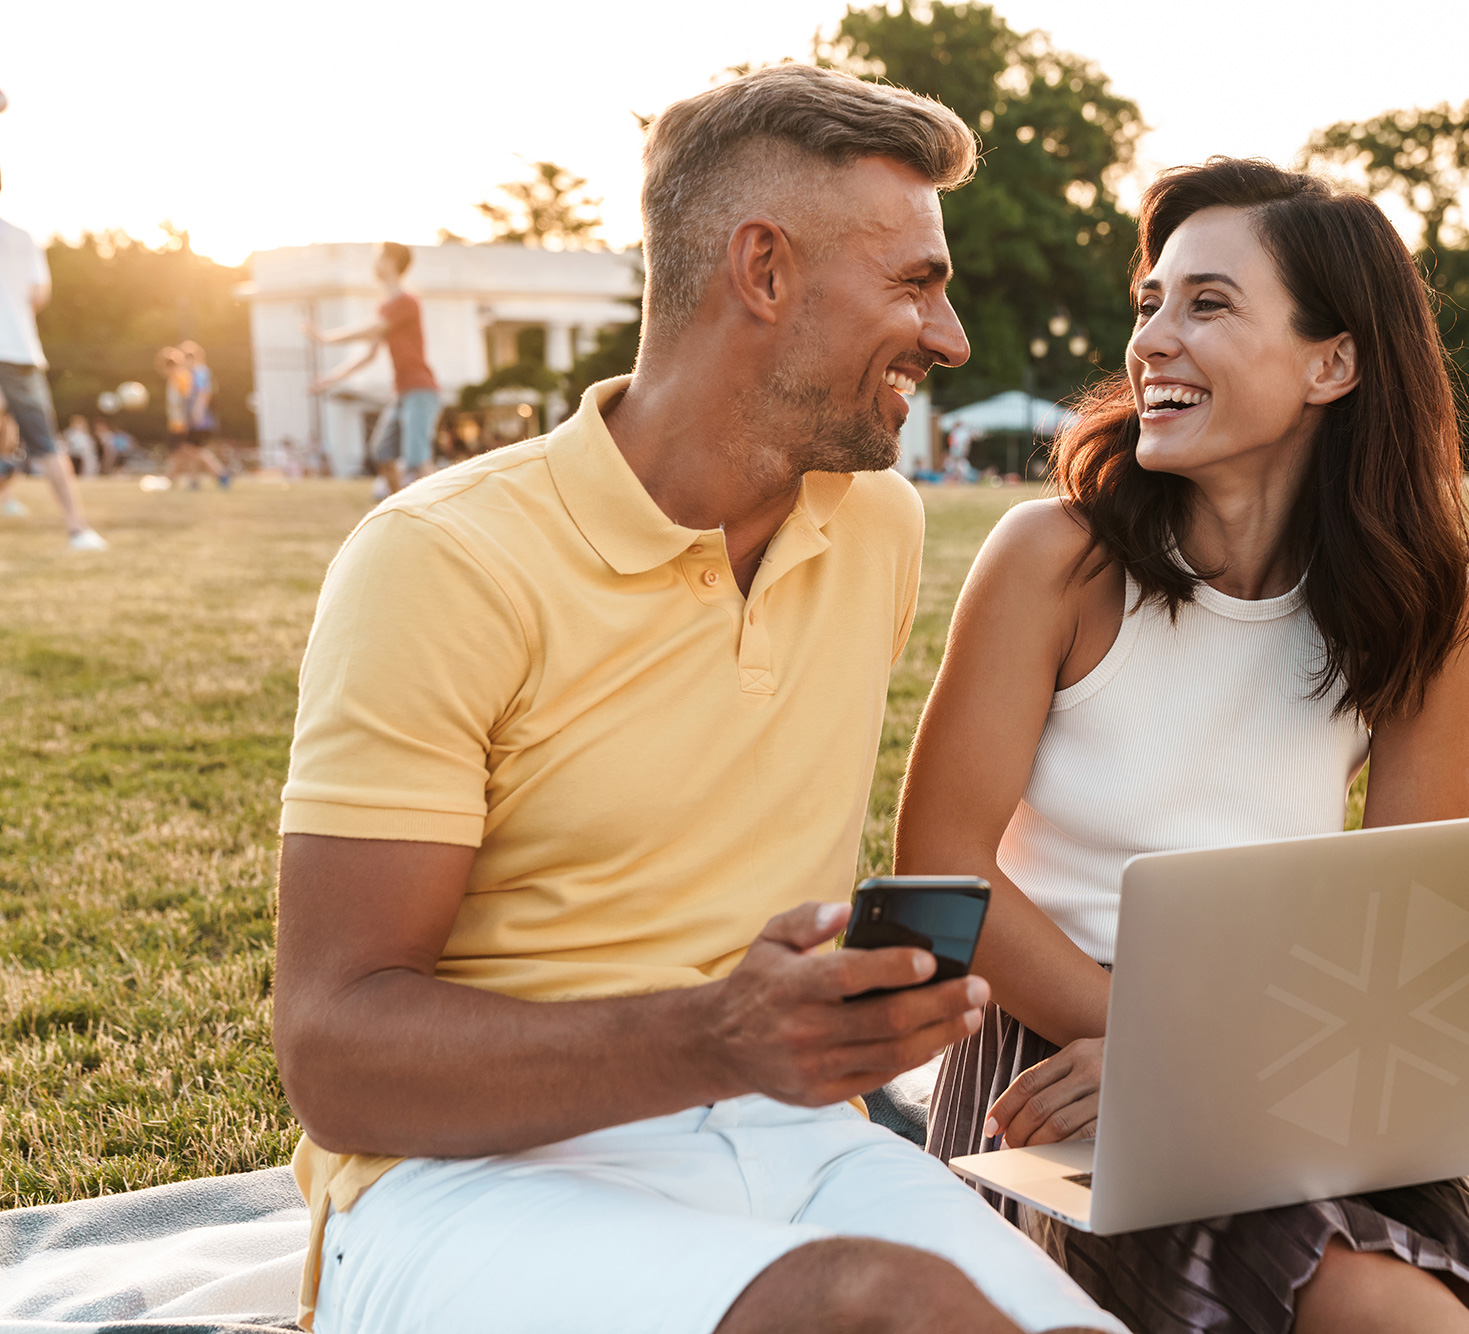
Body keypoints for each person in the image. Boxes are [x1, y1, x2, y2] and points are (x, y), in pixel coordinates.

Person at [271, 65, 1124, 1334]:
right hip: (466, 1181)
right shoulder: (441, 560)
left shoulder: (874, 523)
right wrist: (717, 1034)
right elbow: (334, 1054)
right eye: (913, 283)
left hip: (801, 1145)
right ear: (763, 270)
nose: (946, 339)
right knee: (875, 1306)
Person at [900, 159, 1469, 1334]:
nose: (1150, 338)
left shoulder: (1416, 595)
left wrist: (1227, 1062)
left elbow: (1415, 909)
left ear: (1330, 362)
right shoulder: (1051, 560)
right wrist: (1150, 1046)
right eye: (1149, 301)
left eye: (1206, 303)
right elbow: (939, 875)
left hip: (1298, 1060)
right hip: (1051, 1069)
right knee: (1362, 1297)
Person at [0, 169, 107, 550]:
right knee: (43, 443)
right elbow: (38, 296)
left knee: (13, 435)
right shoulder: (23, 238)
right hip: (19, 350)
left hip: (14, 350)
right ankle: (78, 529)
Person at [307, 241, 440, 493]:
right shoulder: (386, 306)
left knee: (418, 462)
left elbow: (370, 330)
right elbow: (368, 356)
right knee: (382, 452)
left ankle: (444, 518)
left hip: (421, 390)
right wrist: (330, 379)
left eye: (378, 257)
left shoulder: (407, 302)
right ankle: (399, 510)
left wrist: (325, 337)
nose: (374, 263)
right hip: (402, 392)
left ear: (391, 262)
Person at [179, 341, 230, 487]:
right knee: (191, 449)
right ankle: (195, 480)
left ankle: (221, 474)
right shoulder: (191, 373)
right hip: (194, 418)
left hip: (201, 419)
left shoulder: (200, 372)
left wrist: (197, 410)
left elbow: (204, 392)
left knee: (192, 449)